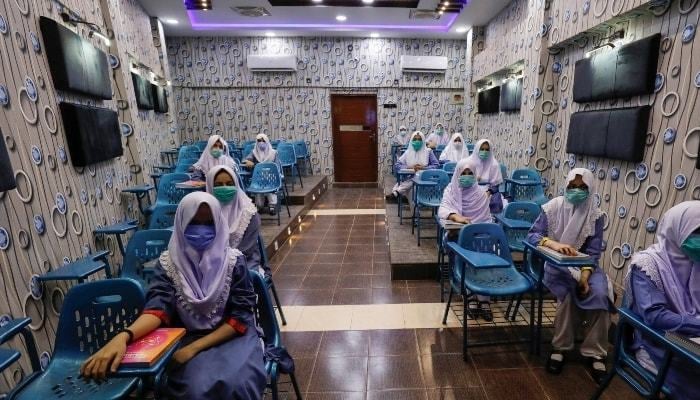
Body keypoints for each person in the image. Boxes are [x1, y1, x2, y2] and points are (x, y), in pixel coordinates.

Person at [80, 193, 266, 399]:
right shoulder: (169, 264)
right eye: (194, 222)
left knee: (236, 384)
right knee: (195, 389)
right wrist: (123, 337)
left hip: (232, 337)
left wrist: (194, 349)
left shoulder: (233, 262)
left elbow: (239, 319)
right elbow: (158, 309)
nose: (201, 229)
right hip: (187, 336)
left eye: (209, 222)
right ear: (181, 222)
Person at [526, 168, 612, 383]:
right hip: (554, 263)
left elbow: (592, 253)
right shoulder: (553, 208)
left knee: (601, 294)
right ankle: (560, 347)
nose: (577, 191)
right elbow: (532, 236)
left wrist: (584, 277)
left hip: (585, 267)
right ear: (566, 186)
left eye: (583, 188)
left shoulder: (595, 215)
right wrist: (555, 244)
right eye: (573, 187)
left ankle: (596, 353)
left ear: (590, 189)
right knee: (567, 293)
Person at [623, 201, 700, 400]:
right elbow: (656, 317)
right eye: (697, 232)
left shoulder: (697, 262)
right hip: (660, 339)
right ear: (677, 229)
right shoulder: (647, 265)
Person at [437, 158, 494, 321]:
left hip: (480, 238)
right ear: (457, 174)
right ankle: (469, 296)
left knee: (484, 257)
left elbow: (485, 220)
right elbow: (443, 210)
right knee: (466, 259)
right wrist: (456, 217)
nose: (467, 176)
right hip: (457, 237)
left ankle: (484, 299)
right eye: (464, 173)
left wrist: (475, 231)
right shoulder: (451, 190)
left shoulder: (481, 195)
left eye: (470, 173)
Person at [206, 165, 269, 277]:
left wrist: (223, 264)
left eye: (230, 184)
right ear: (210, 186)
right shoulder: (205, 213)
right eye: (218, 185)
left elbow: (246, 251)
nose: (225, 188)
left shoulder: (249, 214)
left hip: (244, 262)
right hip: (212, 262)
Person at [391, 131, 439, 199]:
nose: (417, 141)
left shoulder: (428, 151)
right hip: (409, 177)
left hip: (424, 178)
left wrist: (423, 168)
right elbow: (397, 165)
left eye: (419, 139)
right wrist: (409, 167)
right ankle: (398, 192)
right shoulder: (408, 152)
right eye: (415, 139)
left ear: (423, 141)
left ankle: (397, 192)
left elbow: (436, 165)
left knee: (413, 180)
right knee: (411, 182)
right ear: (411, 141)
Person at [243, 133, 280, 215]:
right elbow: (246, 160)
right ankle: (260, 206)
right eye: (259, 141)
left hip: (271, 177)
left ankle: (272, 206)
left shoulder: (273, 153)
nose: (261, 143)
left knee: (271, 186)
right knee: (257, 188)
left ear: (267, 141)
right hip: (258, 177)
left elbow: (277, 166)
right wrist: (248, 162)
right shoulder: (254, 152)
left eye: (263, 141)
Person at [466, 139, 505, 213]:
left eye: (487, 149)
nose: (484, 152)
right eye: (482, 149)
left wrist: (488, 192)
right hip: (471, 189)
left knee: (495, 203)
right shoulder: (469, 162)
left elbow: (495, 185)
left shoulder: (494, 164)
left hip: (488, 191)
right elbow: (464, 180)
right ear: (477, 149)